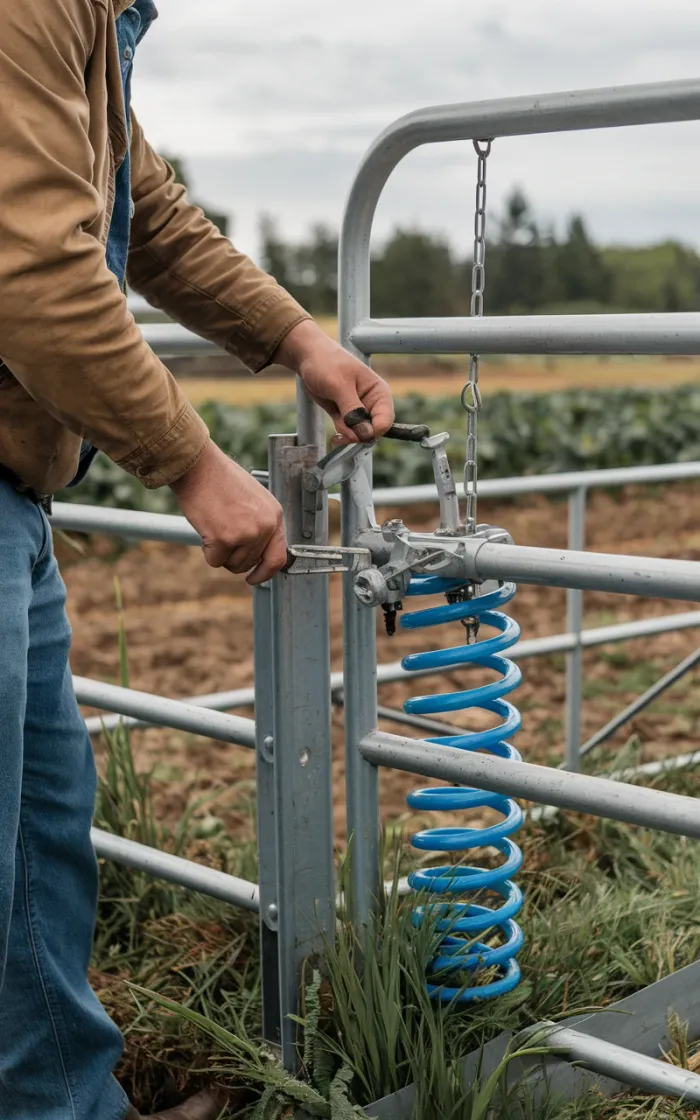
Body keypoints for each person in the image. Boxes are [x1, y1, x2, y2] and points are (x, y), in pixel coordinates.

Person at [0, 2, 395, 1118]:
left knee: (37, 839)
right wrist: (190, 463)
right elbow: (29, 263)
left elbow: (145, 213)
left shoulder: (92, 22)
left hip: (13, 495)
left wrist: (299, 338)